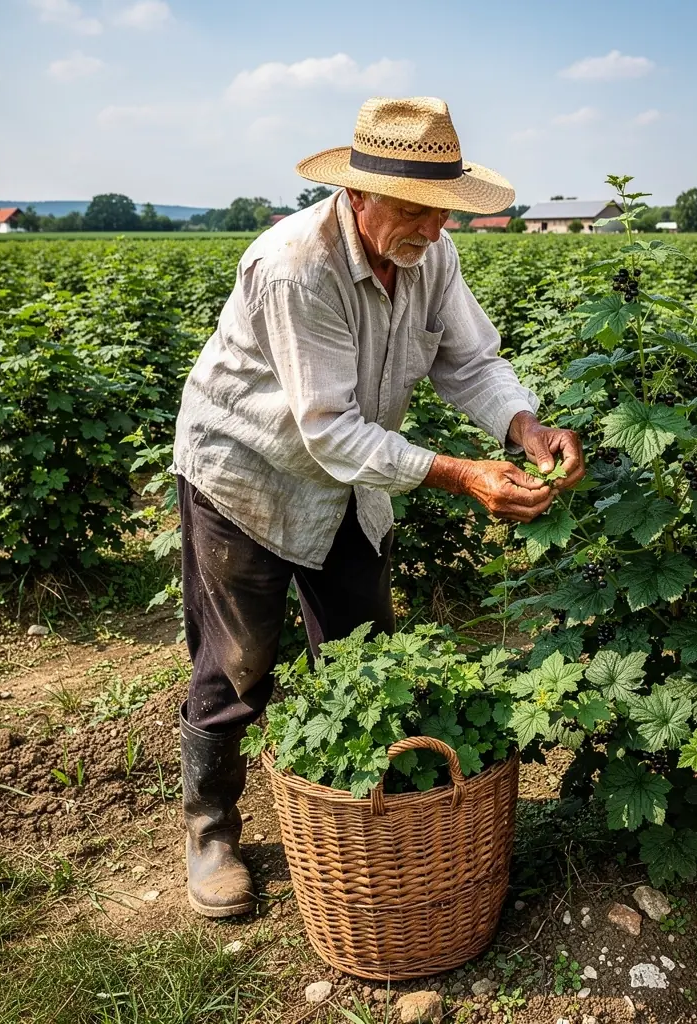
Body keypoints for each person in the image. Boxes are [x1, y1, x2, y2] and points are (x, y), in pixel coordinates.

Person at [171, 95, 585, 917]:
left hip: (349, 479)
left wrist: (524, 424)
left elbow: (470, 360)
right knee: (241, 657)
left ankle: (358, 807)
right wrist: (464, 476)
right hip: (245, 473)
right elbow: (326, 429)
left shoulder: (431, 257)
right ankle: (210, 827)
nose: (429, 230)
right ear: (357, 195)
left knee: (364, 647)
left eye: (442, 213)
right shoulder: (296, 266)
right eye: (410, 209)